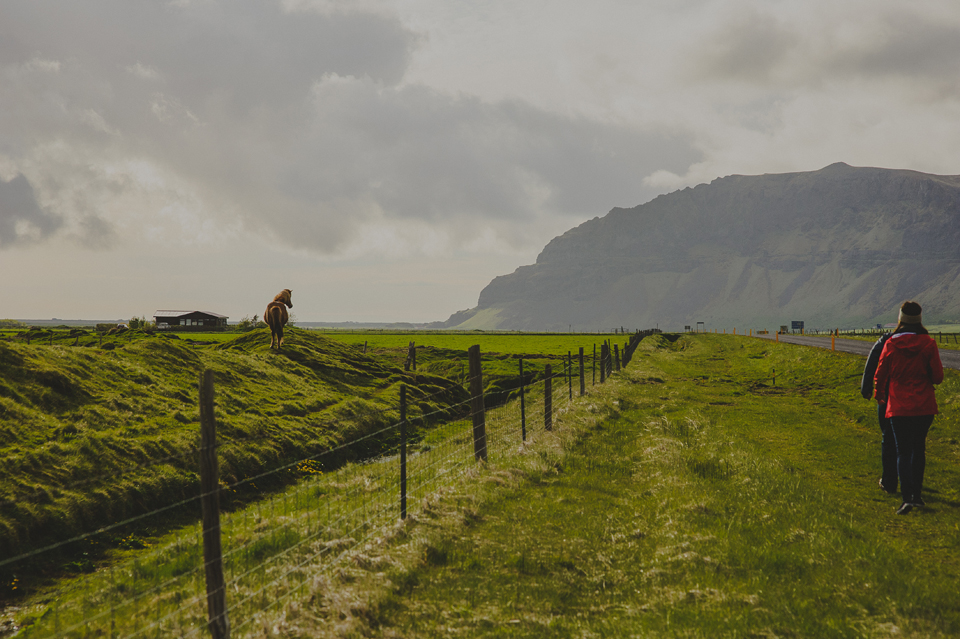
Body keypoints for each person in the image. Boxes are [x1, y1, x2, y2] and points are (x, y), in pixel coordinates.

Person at [874, 301, 944, 515]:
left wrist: (879, 395)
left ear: (900, 319)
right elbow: (938, 377)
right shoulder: (928, 344)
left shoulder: (891, 344)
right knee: (918, 449)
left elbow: (881, 373)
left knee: (902, 451)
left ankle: (907, 498)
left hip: (899, 406)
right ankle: (917, 495)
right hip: (923, 405)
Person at [861, 331, 896, 494]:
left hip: (889, 395)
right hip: (918, 399)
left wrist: (867, 388)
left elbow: (873, 364)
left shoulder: (887, 341)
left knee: (888, 438)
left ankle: (889, 481)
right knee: (914, 444)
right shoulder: (925, 341)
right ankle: (912, 482)